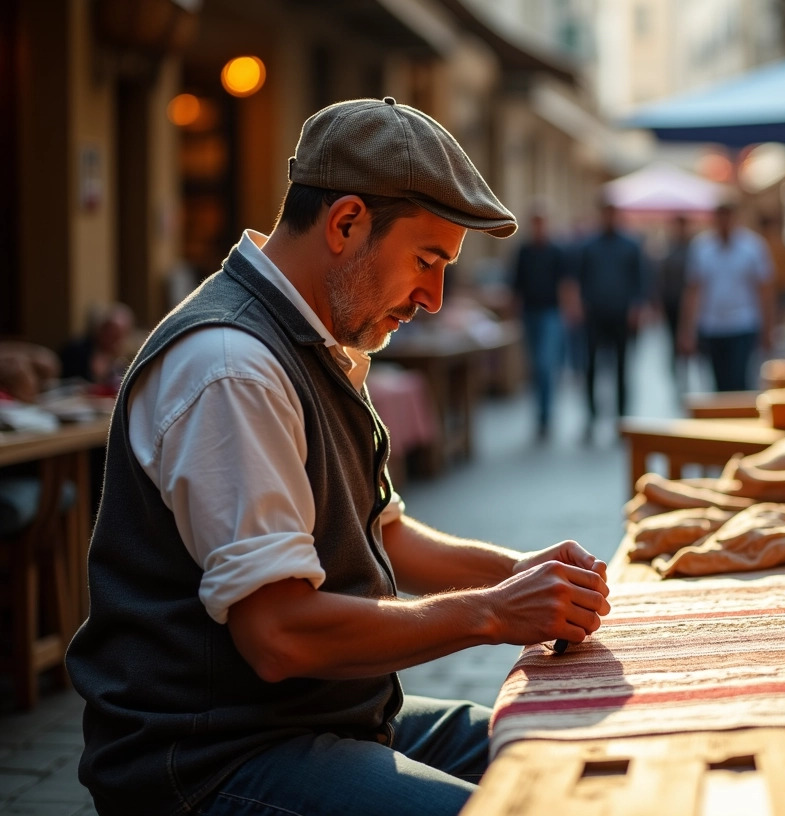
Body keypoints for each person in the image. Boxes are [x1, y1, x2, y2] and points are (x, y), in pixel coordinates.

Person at [65, 98, 611, 816]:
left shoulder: (317, 340)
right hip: (211, 759)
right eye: (427, 260)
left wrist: (523, 573)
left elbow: (382, 532)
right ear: (346, 222)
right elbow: (279, 635)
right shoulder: (231, 365)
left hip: (324, 719)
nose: (435, 297)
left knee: (577, 756)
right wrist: (492, 612)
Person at [679, 203, 776, 392]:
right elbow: (694, 290)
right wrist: (687, 329)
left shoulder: (753, 247)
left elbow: (765, 290)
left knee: (739, 380)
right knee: (718, 383)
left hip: (743, 323)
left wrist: (768, 328)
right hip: (712, 325)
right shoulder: (702, 247)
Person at [570, 201, 645, 439]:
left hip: (621, 315)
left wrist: (637, 307)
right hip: (594, 315)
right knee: (591, 367)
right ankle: (592, 416)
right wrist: (577, 305)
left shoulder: (631, 245)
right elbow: (577, 279)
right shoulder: (589, 246)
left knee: (622, 368)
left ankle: (622, 417)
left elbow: (640, 280)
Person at [510, 208, 567, 441]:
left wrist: (568, 311)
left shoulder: (555, 251)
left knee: (545, 364)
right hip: (530, 314)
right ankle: (540, 414)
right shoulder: (523, 251)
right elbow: (516, 285)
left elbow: (565, 283)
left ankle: (546, 415)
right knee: (535, 367)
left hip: (550, 313)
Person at [58, 302, 135, 394]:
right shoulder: (75, 351)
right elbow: (62, 384)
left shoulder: (126, 360)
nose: (111, 335)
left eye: (118, 333)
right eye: (108, 328)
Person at [656, 214, 692, 389]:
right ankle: (678, 374)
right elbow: (662, 280)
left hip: (690, 305)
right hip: (673, 302)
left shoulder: (694, 250)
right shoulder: (668, 251)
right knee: (673, 340)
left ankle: (687, 371)